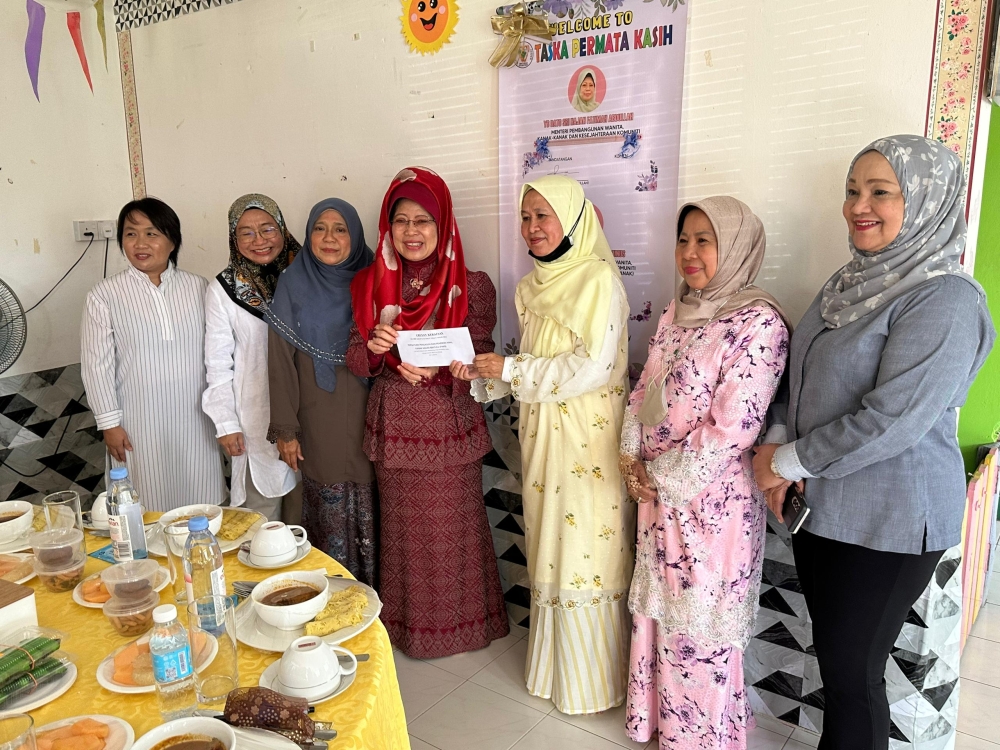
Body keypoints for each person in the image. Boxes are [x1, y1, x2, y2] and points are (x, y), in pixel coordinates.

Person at [752, 135, 995, 750]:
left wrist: (782, 460)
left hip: (891, 520)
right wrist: (781, 443)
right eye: (852, 190)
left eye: (881, 192)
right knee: (838, 666)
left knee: (853, 673)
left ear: (926, 202)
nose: (859, 205)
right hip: (823, 508)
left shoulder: (945, 299)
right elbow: (797, 375)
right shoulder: (847, 285)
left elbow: (894, 420)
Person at [619, 197, 790, 747]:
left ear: (736, 248)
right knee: (659, 613)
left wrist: (660, 478)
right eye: (683, 239)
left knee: (700, 623)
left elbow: (733, 427)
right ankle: (663, 726)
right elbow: (644, 388)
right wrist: (630, 456)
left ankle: (701, 737)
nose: (689, 254)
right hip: (656, 492)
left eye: (705, 241)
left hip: (710, 505)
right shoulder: (677, 310)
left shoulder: (759, 322)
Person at [461, 174, 633, 715]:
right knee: (548, 546)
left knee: (588, 550)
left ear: (575, 220)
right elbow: (532, 366)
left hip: (587, 439)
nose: (533, 227)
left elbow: (593, 367)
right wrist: (485, 373)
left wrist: (511, 367)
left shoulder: (599, 279)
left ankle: (592, 682)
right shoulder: (530, 285)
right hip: (541, 435)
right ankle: (553, 670)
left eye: (545, 215)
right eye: (526, 216)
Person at [347, 166, 509, 658]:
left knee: (454, 530)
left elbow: (481, 359)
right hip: (395, 428)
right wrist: (379, 351)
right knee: (402, 535)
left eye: (424, 221)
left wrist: (459, 370)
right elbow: (357, 357)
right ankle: (407, 629)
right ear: (387, 226)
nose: (412, 232)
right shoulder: (370, 285)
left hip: (447, 426)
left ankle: (465, 626)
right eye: (401, 221)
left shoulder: (472, 285)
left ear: (444, 226)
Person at [81, 197, 223, 512]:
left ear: (173, 241)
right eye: (130, 234)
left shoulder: (200, 288)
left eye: (152, 233)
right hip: (136, 425)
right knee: (143, 508)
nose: (140, 243)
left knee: (203, 506)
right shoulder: (104, 296)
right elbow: (96, 367)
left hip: (196, 421)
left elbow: (218, 354)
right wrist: (109, 424)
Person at [266, 198, 377, 584]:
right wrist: (286, 429)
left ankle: (375, 599)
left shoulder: (378, 277)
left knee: (373, 496)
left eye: (340, 229)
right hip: (316, 412)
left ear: (355, 235)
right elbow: (279, 362)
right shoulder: (293, 283)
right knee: (322, 500)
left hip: (373, 412)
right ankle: (326, 594)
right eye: (319, 228)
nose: (329, 238)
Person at [203, 194, 299, 521]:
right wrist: (226, 424)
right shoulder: (224, 290)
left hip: (311, 413)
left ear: (282, 228)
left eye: (267, 228)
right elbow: (218, 363)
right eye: (246, 232)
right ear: (233, 237)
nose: (259, 240)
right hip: (258, 421)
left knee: (307, 515)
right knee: (264, 520)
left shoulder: (307, 276)